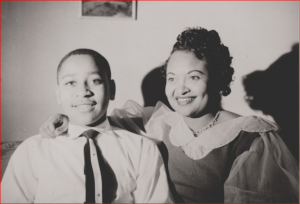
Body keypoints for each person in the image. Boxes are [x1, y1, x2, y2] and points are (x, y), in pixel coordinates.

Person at [40, 28, 299, 203]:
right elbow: (101, 121)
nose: (180, 89)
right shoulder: (162, 121)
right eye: (172, 78)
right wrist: (65, 118)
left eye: (194, 77)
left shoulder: (247, 135)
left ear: (218, 79)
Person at [1, 49, 173, 203]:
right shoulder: (32, 151)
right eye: (71, 83)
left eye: (95, 81)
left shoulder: (142, 149)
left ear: (112, 89)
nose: (83, 91)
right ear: (58, 94)